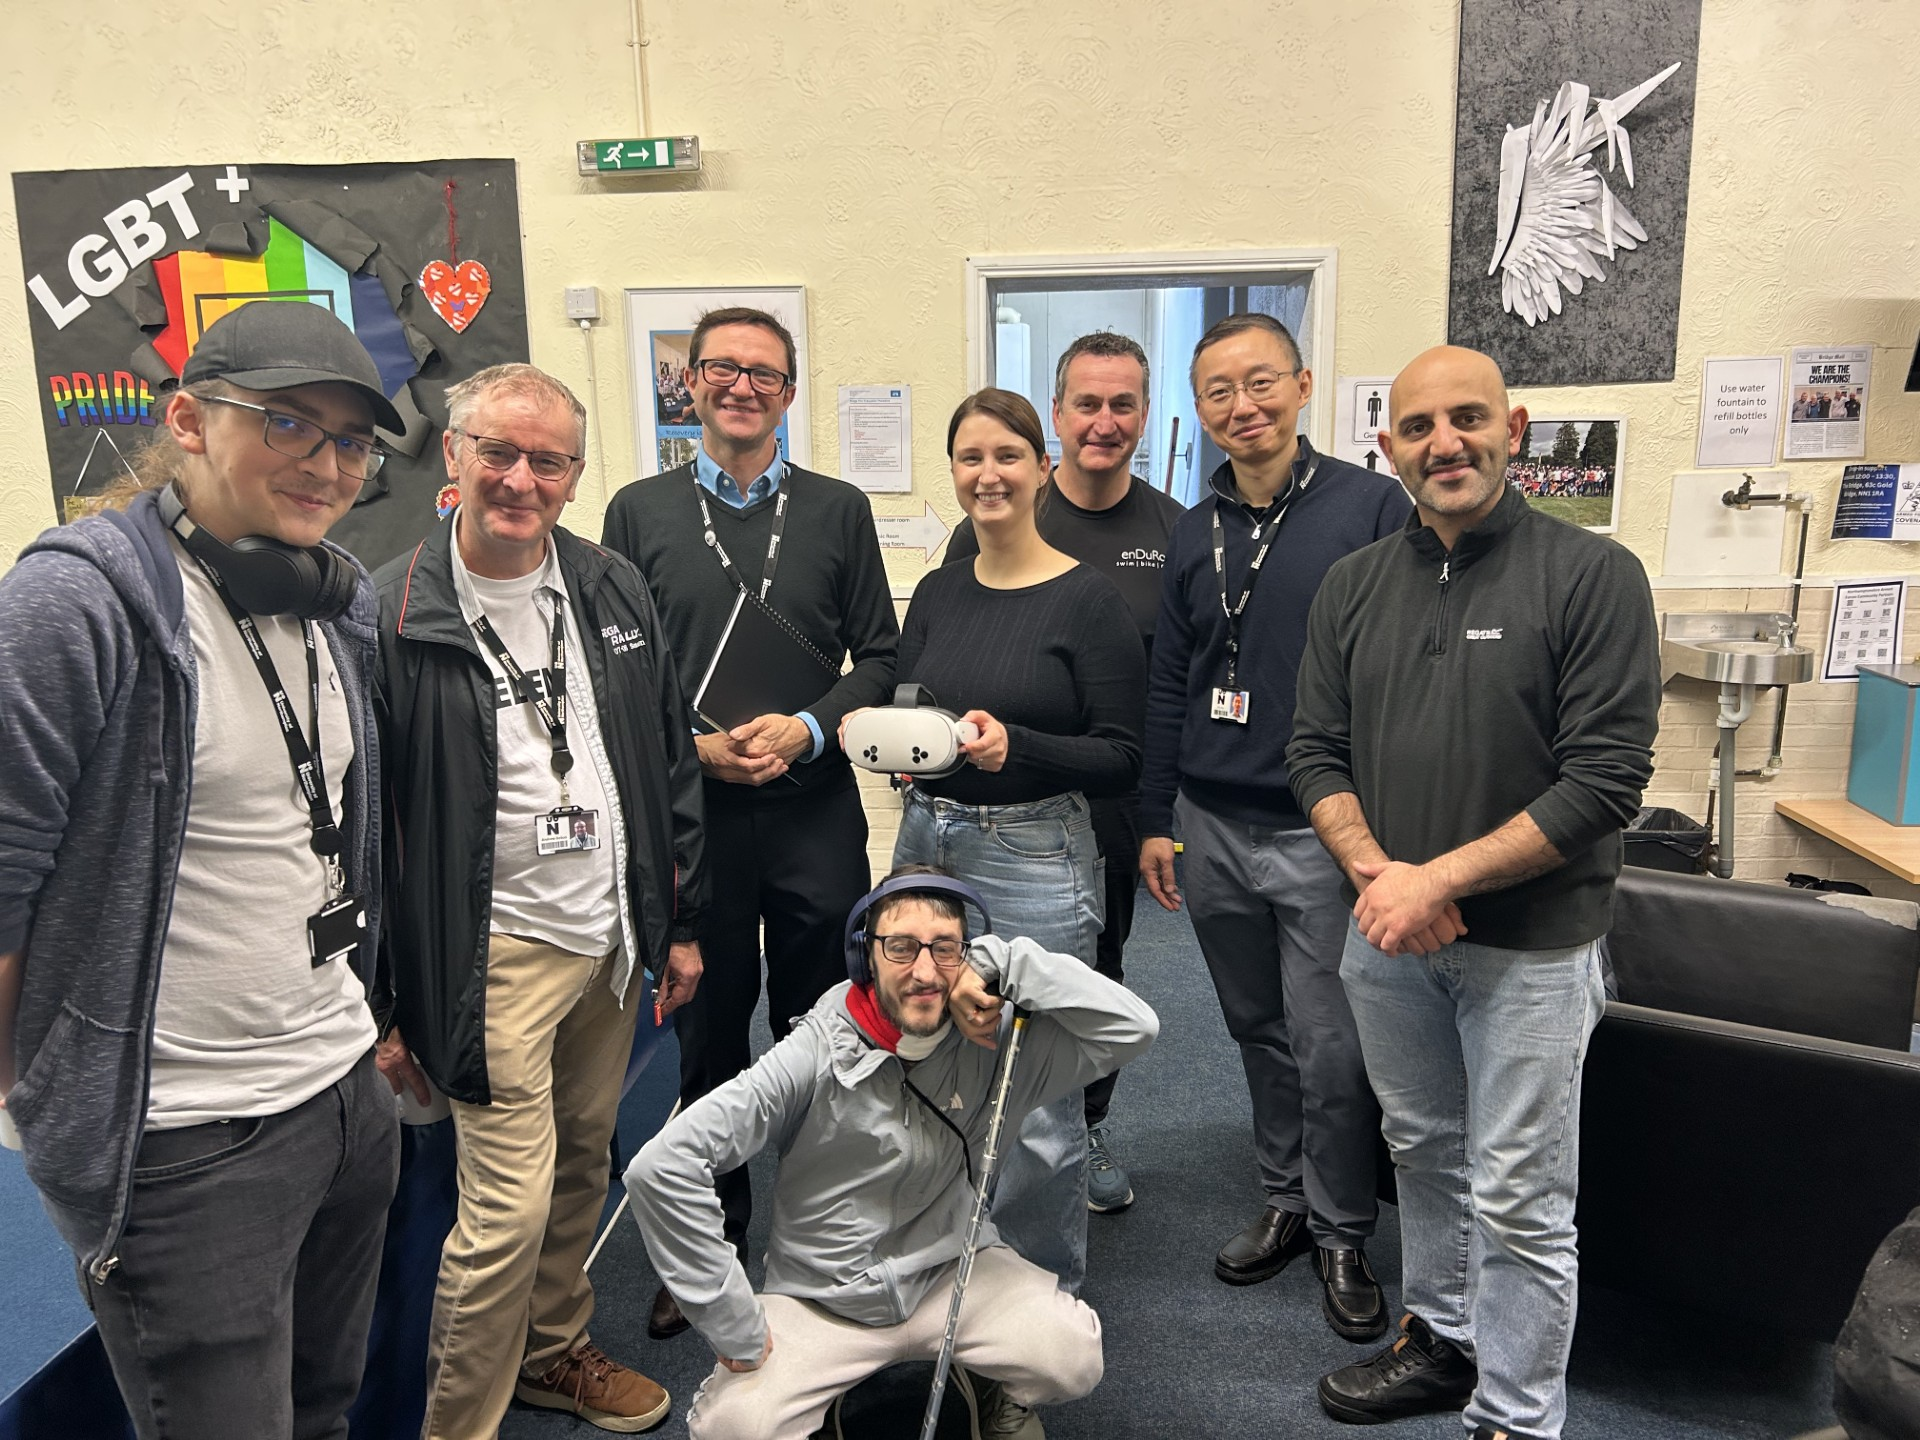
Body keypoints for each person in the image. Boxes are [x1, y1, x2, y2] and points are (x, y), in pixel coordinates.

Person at [0, 301, 401, 1437]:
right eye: (286, 423)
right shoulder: (73, 607)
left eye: (351, 441)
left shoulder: (333, 600)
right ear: (186, 420)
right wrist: (48, 1106)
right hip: (188, 1139)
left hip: (337, 1090)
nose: (325, 464)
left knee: (325, 1411)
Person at [1288, 345, 1660, 1439]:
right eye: (1418, 426)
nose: (1444, 443)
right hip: (1388, 936)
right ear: (1388, 445)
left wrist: (1435, 880)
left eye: (1467, 419)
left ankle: (1515, 1413)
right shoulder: (1354, 586)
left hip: (1535, 950)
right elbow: (1315, 754)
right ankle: (1443, 1343)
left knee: (1522, 1196)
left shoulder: (1593, 576)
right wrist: (1382, 879)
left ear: (1518, 426)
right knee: (1425, 1156)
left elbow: (1605, 780)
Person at [375, 363, 707, 1436]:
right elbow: (362, 829)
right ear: (453, 457)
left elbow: (666, 762)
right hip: (491, 950)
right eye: (500, 453)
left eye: (548, 460)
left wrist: (678, 920)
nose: (521, 479)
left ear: (573, 475)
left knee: (582, 1162)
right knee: (504, 1213)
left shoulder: (609, 586)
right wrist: (383, 999)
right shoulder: (386, 613)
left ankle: (553, 1352)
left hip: (608, 934)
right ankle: (457, 1422)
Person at [601, 305, 899, 1339]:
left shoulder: (838, 508)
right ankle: (712, 1242)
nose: (740, 386)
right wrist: (696, 746)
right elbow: (619, 667)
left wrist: (814, 727)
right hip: (699, 822)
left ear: (789, 388)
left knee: (825, 1029)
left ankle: (818, 1239)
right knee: (710, 1037)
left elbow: (882, 658)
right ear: (688, 383)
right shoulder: (637, 511)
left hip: (815, 811)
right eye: (720, 369)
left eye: (762, 372)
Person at [627, 865, 1159, 1439]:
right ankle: (823, 1392)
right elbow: (662, 1168)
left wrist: (1007, 962)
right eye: (902, 947)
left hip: (954, 1274)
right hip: (824, 1300)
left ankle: (986, 1380)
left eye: (946, 949)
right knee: (732, 1428)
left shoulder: (999, 1037)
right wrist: (732, 1324)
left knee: (1072, 1356)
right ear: (864, 957)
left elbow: (1134, 1027)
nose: (926, 972)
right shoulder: (813, 1051)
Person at [1138, 313, 1410, 1342]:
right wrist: (1156, 814)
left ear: (1301, 387)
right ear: (1200, 408)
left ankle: (1343, 1229)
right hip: (1210, 822)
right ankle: (1286, 1200)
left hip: (1322, 835)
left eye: (1260, 385)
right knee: (1256, 1029)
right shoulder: (1189, 520)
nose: (1241, 407)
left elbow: (1400, 671)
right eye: (1218, 392)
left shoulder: (1371, 507)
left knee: (1331, 1043)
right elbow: (1175, 674)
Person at [871, 387, 1145, 1294]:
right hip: (928, 840)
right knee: (927, 1055)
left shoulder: (1088, 601)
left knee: (1031, 1098)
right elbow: (917, 705)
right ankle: (949, 1263)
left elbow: (1121, 757)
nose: (987, 474)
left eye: (1007, 456)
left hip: (1036, 856)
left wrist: (1012, 746)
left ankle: (1036, 1304)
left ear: (1043, 469)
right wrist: (897, 745)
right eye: (969, 458)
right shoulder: (941, 590)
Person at [944, 332, 1182, 1213]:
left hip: (1108, 805)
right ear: (1058, 416)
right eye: (1088, 402)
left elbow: (1170, 696)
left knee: (1089, 975)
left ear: (1144, 416)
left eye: (1123, 405)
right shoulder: (999, 522)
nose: (1105, 421)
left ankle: (1084, 1127)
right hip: (979, 816)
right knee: (964, 973)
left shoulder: (1175, 534)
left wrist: (1161, 818)